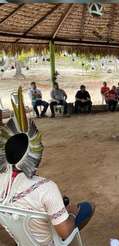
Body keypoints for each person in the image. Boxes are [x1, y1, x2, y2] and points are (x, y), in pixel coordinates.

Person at [0, 90, 95, 245]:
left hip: (23, 239)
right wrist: (71, 214)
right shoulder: (46, 188)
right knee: (88, 207)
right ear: (34, 156)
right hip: (48, 241)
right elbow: (64, 230)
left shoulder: (2, 181)